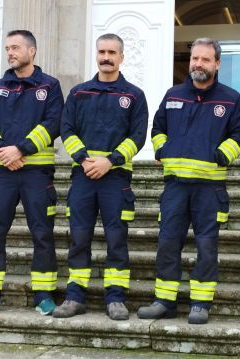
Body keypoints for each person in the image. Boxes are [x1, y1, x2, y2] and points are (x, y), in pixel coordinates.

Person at [137, 38, 240, 325]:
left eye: (205, 59)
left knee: (206, 246)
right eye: (194, 59)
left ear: (217, 63)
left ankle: (200, 303)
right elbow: (158, 127)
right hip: (175, 186)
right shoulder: (173, 94)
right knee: (167, 243)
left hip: (209, 189)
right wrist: (163, 149)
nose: (198, 64)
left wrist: (220, 156)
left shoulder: (231, 98)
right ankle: (165, 301)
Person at [52, 33, 148, 321]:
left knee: (116, 239)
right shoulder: (79, 93)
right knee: (79, 238)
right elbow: (66, 130)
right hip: (83, 176)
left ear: (121, 57)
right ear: (96, 54)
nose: (106, 57)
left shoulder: (134, 95)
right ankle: (74, 297)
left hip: (116, 179)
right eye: (102, 52)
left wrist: (110, 161)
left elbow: (138, 137)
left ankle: (116, 298)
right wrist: (84, 159)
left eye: (112, 52)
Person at [0, 30, 63, 316]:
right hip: (2, 172)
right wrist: (3, 151)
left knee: (42, 233)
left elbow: (53, 123)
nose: (10, 53)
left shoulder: (49, 86)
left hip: (36, 174)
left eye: (15, 48)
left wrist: (21, 149)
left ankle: (44, 294)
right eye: (7, 48)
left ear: (32, 51)